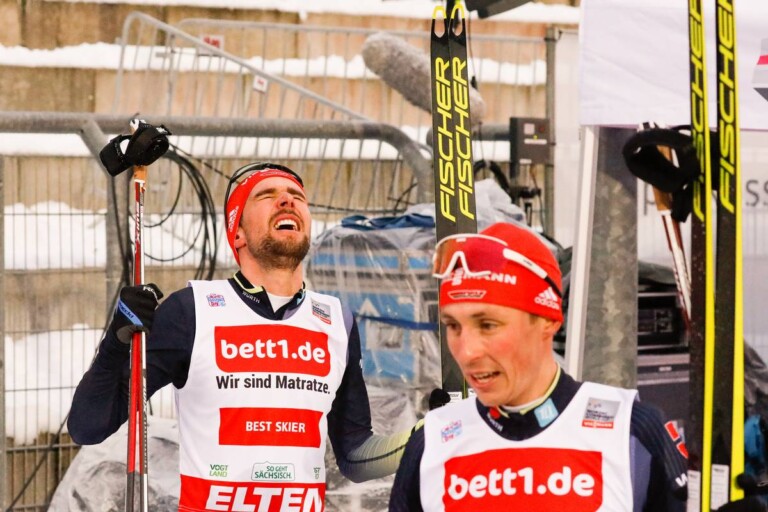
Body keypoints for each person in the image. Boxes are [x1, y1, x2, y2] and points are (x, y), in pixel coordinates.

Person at [69, 163, 417, 512]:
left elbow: (356, 455)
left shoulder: (337, 321)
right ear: (238, 234)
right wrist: (116, 343)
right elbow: (88, 426)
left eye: (297, 196)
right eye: (267, 195)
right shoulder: (192, 311)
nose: (287, 201)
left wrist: (423, 436)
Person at [389, 221, 690, 512]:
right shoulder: (432, 441)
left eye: (488, 325)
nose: (466, 352)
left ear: (548, 321)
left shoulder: (632, 430)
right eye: (453, 326)